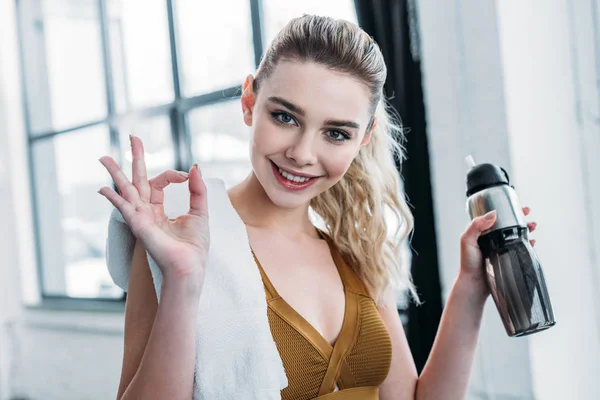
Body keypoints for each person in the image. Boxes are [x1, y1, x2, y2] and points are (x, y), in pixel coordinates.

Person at [98, 14, 538, 400]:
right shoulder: (178, 238)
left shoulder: (355, 250)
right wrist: (182, 280)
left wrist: (471, 285)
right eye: (285, 117)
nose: (303, 154)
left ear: (362, 139)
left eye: (336, 133)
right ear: (249, 102)